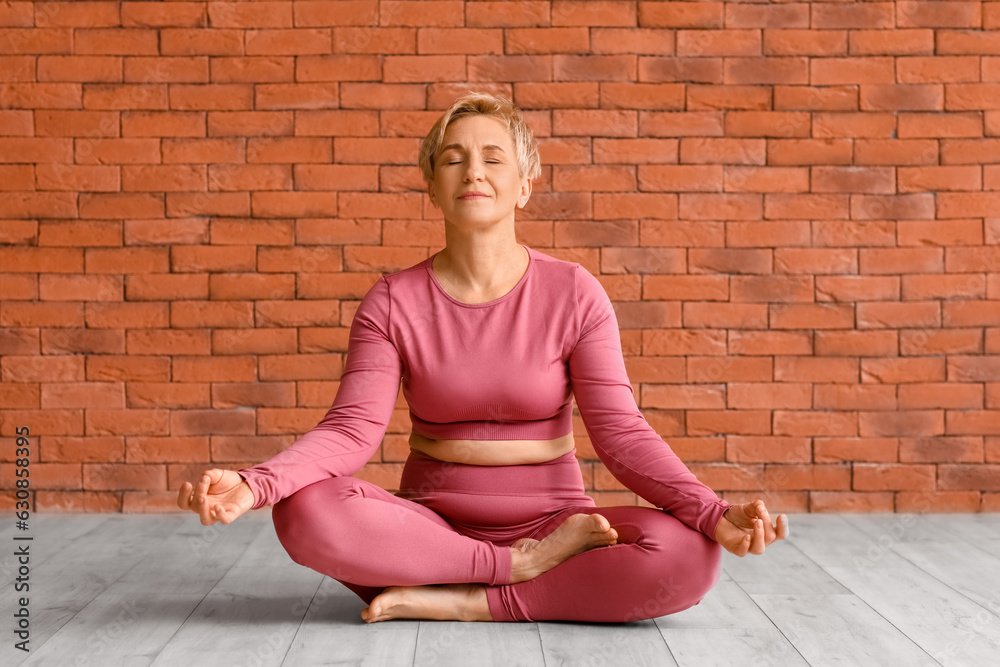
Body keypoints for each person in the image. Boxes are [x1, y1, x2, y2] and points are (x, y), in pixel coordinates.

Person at [177, 92, 789, 624]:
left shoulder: (574, 292)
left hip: (558, 526)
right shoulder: (393, 301)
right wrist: (256, 485)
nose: (474, 170)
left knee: (687, 554)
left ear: (525, 184)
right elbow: (351, 431)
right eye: (453, 158)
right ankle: (507, 572)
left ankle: (471, 601)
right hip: (427, 539)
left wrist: (711, 513)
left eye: (494, 157)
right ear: (433, 185)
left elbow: (621, 434)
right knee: (305, 510)